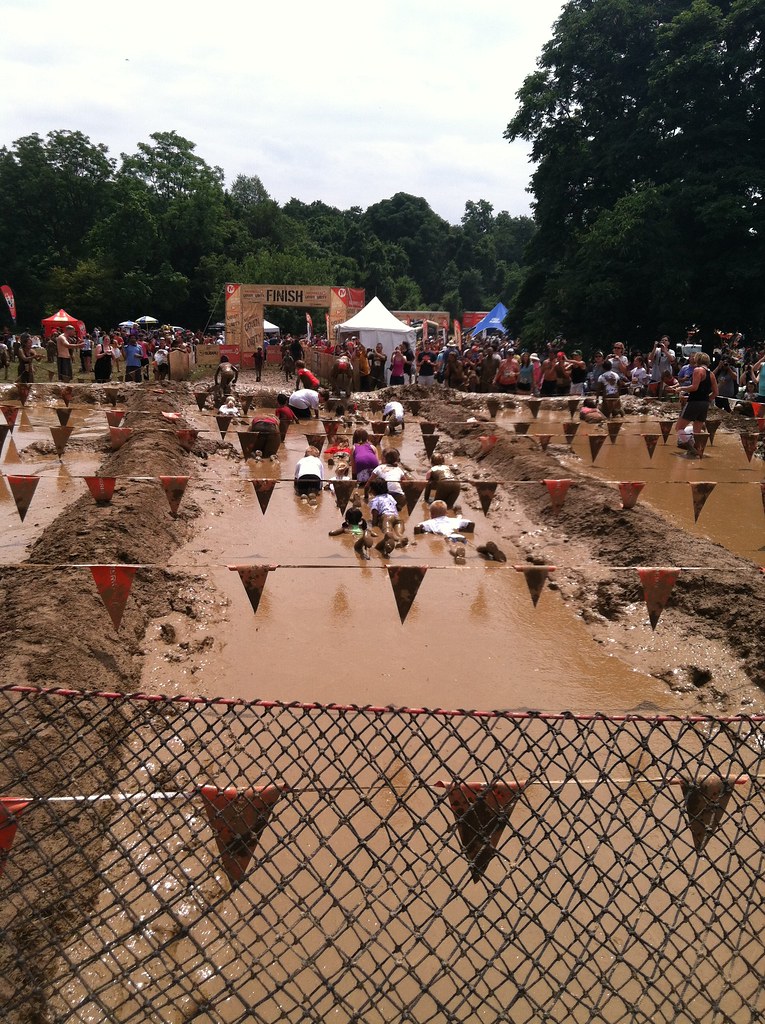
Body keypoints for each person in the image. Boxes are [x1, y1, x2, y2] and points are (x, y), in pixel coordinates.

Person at [675, 352, 718, 450]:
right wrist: (705, 399)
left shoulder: (698, 370)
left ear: (697, 360)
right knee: (697, 432)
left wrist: (681, 388)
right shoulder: (711, 374)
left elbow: (694, 387)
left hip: (694, 402)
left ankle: (690, 447)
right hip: (705, 404)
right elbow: (716, 393)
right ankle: (698, 450)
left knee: (679, 427)